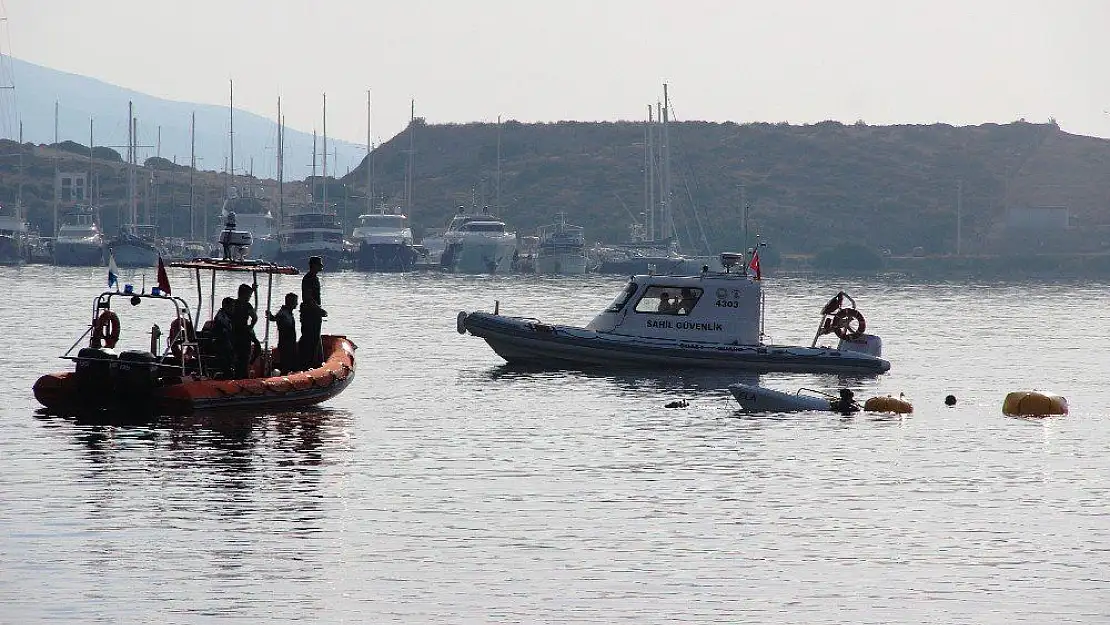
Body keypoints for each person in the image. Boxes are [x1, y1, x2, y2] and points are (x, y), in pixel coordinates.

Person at [298, 256, 328, 369]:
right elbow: (308, 298)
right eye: (319, 264)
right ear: (314, 265)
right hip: (310, 314)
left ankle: (314, 362)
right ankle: (306, 364)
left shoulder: (314, 278)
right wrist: (319, 310)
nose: (321, 266)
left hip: (314, 313)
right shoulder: (309, 278)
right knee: (309, 338)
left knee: (314, 338)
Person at [231, 283, 260, 379]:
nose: (249, 298)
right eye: (248, 296)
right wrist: (250, 326)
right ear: (243, 294)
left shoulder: (233, 303)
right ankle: (242, 375)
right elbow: (255, 317)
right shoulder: (246, 305)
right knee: (243, 357)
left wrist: (252, 289)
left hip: (234, 333)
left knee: (238, 357)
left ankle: (239, 374)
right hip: (242, 333)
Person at [266, 292, 299, 374]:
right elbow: (276, 318)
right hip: (286, 343)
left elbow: (275, 318)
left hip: (290, 342)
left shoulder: (287, 312)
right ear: (290, 302)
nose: (297, 304)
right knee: (286, 364)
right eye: (295, 301)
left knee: (290, 363)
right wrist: (271, 316)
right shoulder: (283, 313)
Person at [208, 296, 236, 377]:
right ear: (225, 306)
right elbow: (226, 331)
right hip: (221, 344)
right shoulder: (222, 317)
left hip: (222, 343)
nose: (233, 309)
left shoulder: (225, 315)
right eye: (231, 307)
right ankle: (228, 373)